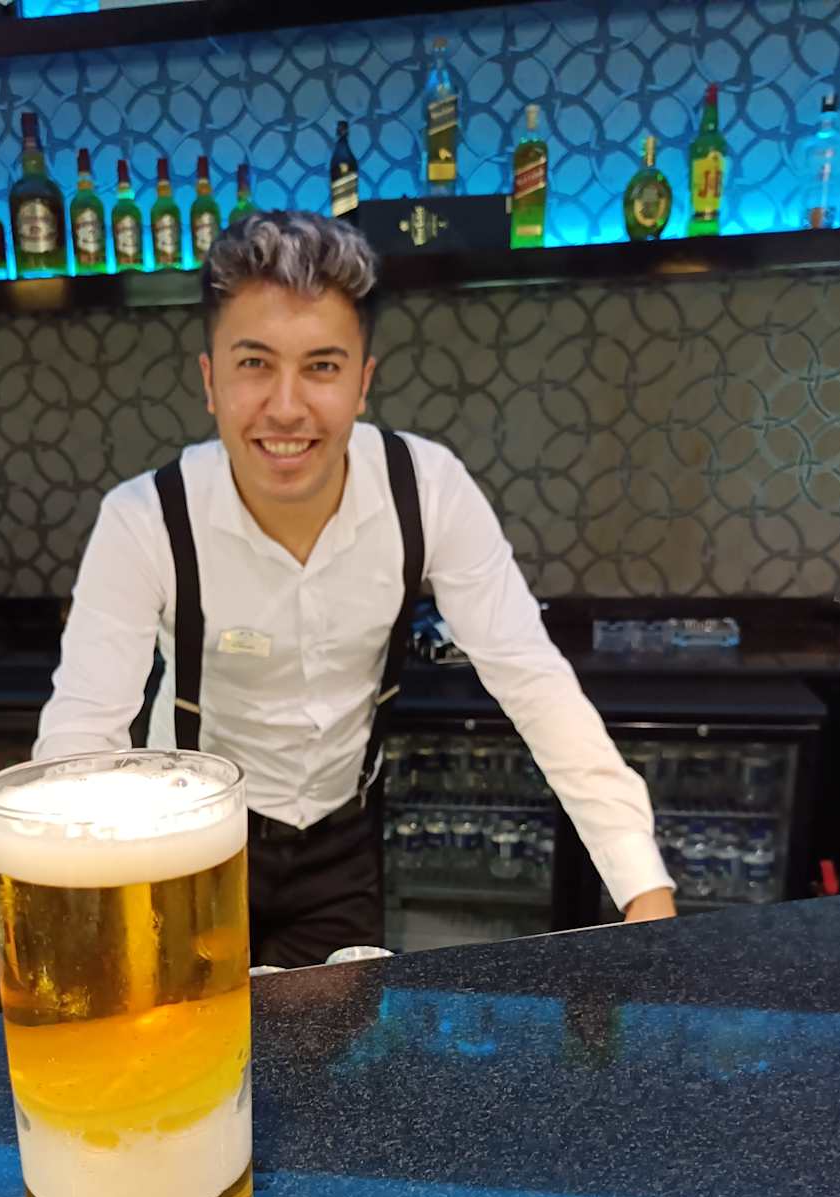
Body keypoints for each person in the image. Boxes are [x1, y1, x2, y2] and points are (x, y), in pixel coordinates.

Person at [35, 211, 676, 967]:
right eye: (254, 363)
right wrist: (82, 904)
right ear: (210, 381)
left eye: (321, 367)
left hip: (340, 840)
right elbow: (82, 736)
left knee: (332, 1040)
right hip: (186, 842)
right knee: (196, 1036)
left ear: (363, 382)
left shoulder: (426, 488)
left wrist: (641, 885)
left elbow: (532, 680)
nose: (285, 407)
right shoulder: (145, 518)